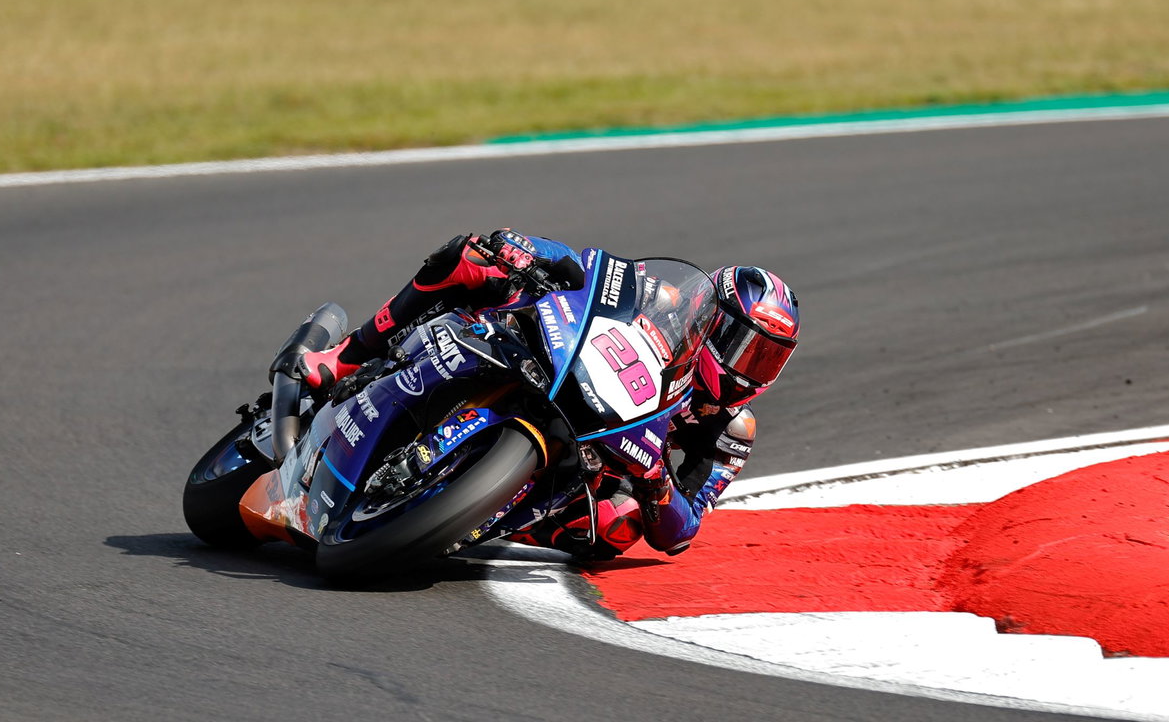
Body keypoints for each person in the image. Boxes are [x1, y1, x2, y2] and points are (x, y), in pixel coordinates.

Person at [296, 229, 801, 561]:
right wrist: (527, 248)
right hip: (554, 361)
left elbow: (681, 532)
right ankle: (346, 356)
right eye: (745, 347)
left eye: (767, 358)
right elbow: (591, 272)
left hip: (598, 459)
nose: (750, 368)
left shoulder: (734, 430)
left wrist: (655, 486)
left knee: (615, 527)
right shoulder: (666, 302)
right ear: (710, 316)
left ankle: (474, 515)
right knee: (472, 258)